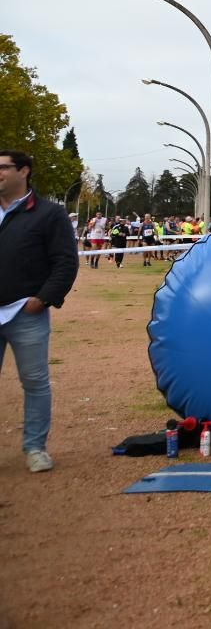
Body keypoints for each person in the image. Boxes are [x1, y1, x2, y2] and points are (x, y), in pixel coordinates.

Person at [0, 150, 78, 473]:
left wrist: (43, 299)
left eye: (3, 168)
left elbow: (65, 261)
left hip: (25, 313)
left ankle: (35, 448)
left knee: (34, 381)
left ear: (24, 171)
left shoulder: (49, 214)